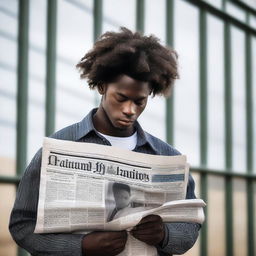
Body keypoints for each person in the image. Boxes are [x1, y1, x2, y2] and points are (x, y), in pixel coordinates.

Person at [9, 27, 201, 256]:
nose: (129, 110)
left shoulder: (167, 156)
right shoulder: (59, 145)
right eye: (121, 98)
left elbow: (190, 228)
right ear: (102, 87)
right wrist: (82, 246)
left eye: (139, 101)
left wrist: (164, 234)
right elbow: (22, 225)